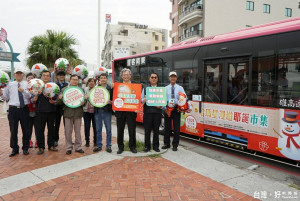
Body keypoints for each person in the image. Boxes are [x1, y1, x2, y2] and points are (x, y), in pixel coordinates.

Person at [0, 68, 31, 157]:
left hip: (24, 109)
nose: (19, 74)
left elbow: (29, 95)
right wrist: (1, 94)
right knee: (13, 130)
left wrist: (23, 91)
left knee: (26, 129)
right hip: (13, 110)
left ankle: (25, 148)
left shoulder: (27, 84)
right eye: (17, 73)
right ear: (14, 75)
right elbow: (6, 98)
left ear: (23, 75)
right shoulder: (9, 84)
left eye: (20, 73)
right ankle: (14, 148)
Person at [58, 74, 87, 155]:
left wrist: (84, 101)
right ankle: (68, 148)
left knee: (78, 131)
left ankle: (78, 147)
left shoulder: (81, 89)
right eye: (73, 79)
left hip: (78, 113)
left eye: (76, 80)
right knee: (68, 131)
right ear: (70, 80)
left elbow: (84, 103)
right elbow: (59, 102)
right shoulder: (64, 89)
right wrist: (59, 99)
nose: (75, 81)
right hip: (68, 113)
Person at [162, 71, 191, 151]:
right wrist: (164, 109)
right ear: (169, 78)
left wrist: (189, 107)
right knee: (167, 128)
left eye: (174, 76)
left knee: (177, 128)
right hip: (167, 110)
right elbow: (163, 99)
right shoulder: (165, 88)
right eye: (171, 76)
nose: (173, 78)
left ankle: (175, 145)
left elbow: (185, 98)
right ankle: (167, 144)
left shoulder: (180, 88)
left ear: (176, 78)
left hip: (176, 109)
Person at [33, 70, 58, 154]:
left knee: (51, 130)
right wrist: (34, 99)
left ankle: (51, 145)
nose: (46, 77)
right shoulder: (37, 86)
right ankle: (41, 147)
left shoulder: (54, 86)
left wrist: (54, 101)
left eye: (47, 75)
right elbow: (32, 98)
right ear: (41, 76)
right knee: (40, 130)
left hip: (51, 111)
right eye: (44, 75)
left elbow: (57, 97)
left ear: (50, 77)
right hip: (40, 111)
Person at [115, 68, 137, 154]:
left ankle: (132, 147)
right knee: (120, 131)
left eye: (127, 74)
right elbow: (114, 97)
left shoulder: (135, 86)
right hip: (120, 112)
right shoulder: (117, 86)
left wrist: (137, 107)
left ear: (130, 76)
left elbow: (137, 99)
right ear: (122, 76)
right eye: (124, 75)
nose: (126, 76)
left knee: (132, 130)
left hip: (131, 112)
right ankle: (120, 147)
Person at [141, 73, 162, 152]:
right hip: (147, 113)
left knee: (156, 130)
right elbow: (141, 100)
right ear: (149, 79)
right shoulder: (146, 89)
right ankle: (147, 146)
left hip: (157, 113)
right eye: (152, 77)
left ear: (157, 79)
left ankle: (156, 146)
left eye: (155, 77)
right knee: (147, 130)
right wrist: (144, 100)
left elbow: (163, 102)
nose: (153, 79)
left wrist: (161, 106)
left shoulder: (160, 89)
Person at [93, 73, 113, 153]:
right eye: (102, 78)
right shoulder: (96, 88)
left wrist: (110, 102)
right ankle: (99, 145)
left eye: (105, 78)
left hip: (107, 111)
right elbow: (93, 98)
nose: (103, 79)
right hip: (98, 111)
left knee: (108, 129)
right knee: (98, 129)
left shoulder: (111, 88)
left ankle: (108, 145)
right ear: (99, 80)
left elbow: (114, 99)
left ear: (107, 79)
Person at [54, 71, 68, 147]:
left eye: (63, 75)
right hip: (57, 107)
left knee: (67, 125)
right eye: (60, 75)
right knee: (56, 124)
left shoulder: (68, 85)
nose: (62, 76)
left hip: (66, 107)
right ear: (57, 76)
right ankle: (55, 140)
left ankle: (68, 140)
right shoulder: (55, 85)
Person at [83, 78, 97, 147]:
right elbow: (81, 99)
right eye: (90, 81)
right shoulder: (84, 90)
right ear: (88, 83)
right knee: (87, 127)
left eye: (93, 82)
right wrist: (84, 98)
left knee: (95, 127)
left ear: (95, 83)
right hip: (86, 111)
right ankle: (87, 141)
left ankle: (95, 141)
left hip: (95, 111)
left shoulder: (97, 90)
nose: (91, 83)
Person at [26, 73, 38, 148]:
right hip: (27, 111)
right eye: (28, 78)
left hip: (37, 111)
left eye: (32, 78)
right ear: (26, 79)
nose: (30, 79)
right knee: (28, 127)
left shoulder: (37, 88)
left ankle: (37, 141)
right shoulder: (24, 88)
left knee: (37, 127)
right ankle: (29, 141)